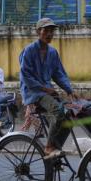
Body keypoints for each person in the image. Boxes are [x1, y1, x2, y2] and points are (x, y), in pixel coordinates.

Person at [19, 18, 78, 159]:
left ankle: (56, 147)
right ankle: (49, 146)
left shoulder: (52, 52)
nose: (49, 34)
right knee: (57, 111)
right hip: (33, 93)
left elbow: (59, 74)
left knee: (70, 114)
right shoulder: (29, 51)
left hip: (47, 91)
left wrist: (69, 90)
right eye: (46, 30)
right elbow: (25, 76)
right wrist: (45, 89)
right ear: (38, 32)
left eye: (52, 31)